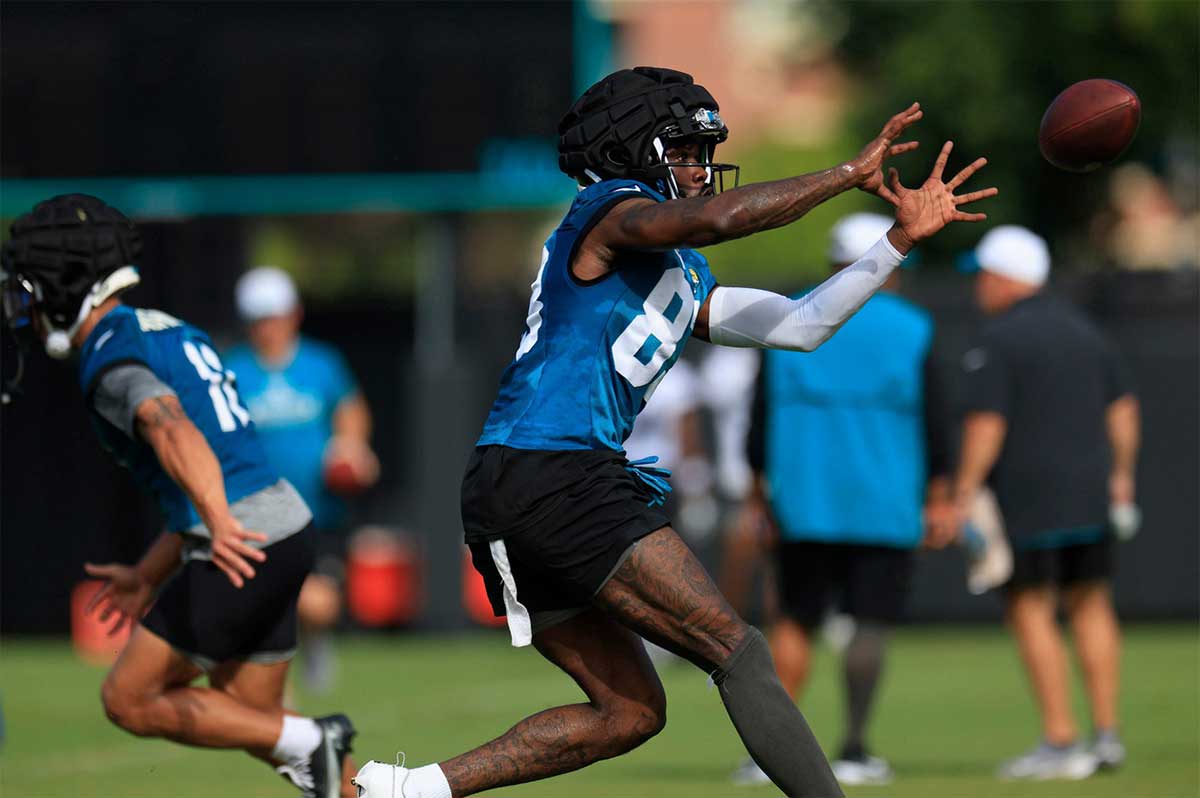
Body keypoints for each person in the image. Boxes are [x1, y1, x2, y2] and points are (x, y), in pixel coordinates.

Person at [354, 65, 996, 798]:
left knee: (627, 713)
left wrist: (895, 244)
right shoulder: (606, 210)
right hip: (554, 471)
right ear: (636, 150)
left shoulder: (678, 268)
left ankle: (409, 791)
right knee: (739, 650)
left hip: (530, 480)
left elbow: (799, 325)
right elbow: (723, 221)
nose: (700, 166)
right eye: (685, 149)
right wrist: (848, 172)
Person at [0, 195, 356, 798]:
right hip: (284, 528)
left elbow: (171, 427)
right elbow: (208, 463)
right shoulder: (161, 327)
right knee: (265, 726)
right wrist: (147, 573)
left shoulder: (110, 355)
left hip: (243, 540)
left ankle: (316, 744)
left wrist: (218, 521)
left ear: (66, 286)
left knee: (128, 699)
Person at [730, 212, 952, 787]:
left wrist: (758, 493)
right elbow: (937, 422)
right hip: (887, 500)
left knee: (794, 621)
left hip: (803, 499)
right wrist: (940, 496)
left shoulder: (789, 315)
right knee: (870, 624)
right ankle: (853, 748)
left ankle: (767, 753)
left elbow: (757, 425)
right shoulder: (914, 327)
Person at [925, 225, 1140, 781]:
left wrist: (963, 492)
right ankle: (1107, 735)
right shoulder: (1086, 331)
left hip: (1030, 497)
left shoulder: (999, 339)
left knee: (1031, 609)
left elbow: (986, 426)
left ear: (1003, 278)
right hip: (1092, 493)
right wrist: (1120, 477)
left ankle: (1061, 740)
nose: (980, 288)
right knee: (1092, 604)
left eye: (985, 277)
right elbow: (1123, 414)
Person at [225, 266, 379, 692]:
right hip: (256, 512)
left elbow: (351, 411)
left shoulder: (321, 364)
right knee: (260, 602)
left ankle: (310, 643)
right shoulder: (233, 369)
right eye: (258, 318)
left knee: (318, 603)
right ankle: (275, 671)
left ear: (292, 314)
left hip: (317, 511)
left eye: (273, 316)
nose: (268, 327)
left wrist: (350, 448)